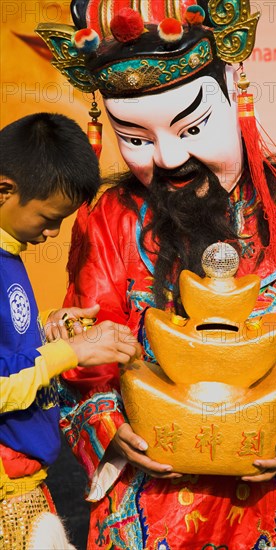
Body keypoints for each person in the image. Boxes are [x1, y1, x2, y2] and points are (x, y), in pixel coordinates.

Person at [37, 1, 276, 548]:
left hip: (260, 494)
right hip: (145, 494)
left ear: (236, 94)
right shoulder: (110, 219)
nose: (167, 158)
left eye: (191, 126)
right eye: (135, 139)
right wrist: (111, 424)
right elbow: (92, 338)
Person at [0, 112, 140, 550]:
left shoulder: (10, 254)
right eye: (48, 216)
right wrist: (72, 353)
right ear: (5, 189)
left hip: (27, 478)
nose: (54, 231)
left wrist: (50, 337)